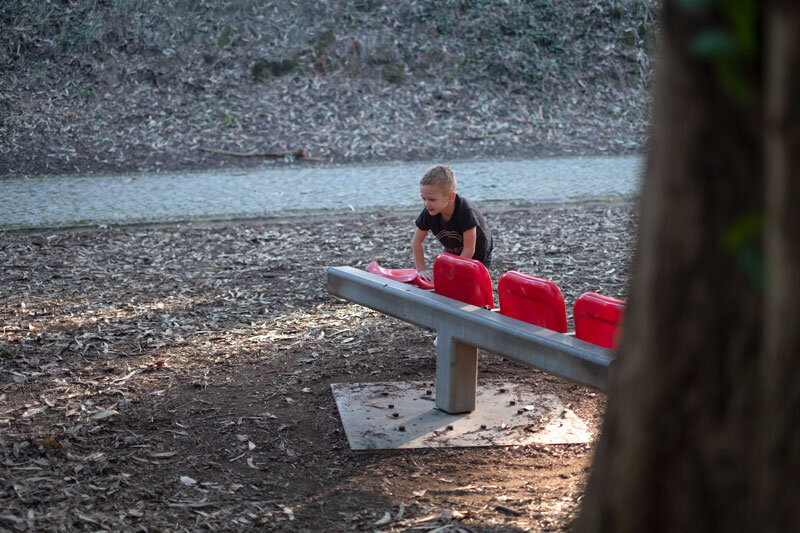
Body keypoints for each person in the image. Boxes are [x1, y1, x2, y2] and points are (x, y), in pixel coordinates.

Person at [411, 165, 493, 282]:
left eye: (432, 200)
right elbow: (417, 241)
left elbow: (469, 249)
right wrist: (421, 270)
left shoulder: (466, 212)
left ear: (451, 196)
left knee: (469, 285)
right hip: (453, 251)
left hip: (478, 255)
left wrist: (453, 271)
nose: (426, 204)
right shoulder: (429, 212)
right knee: (447, 284)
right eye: (423, 199)